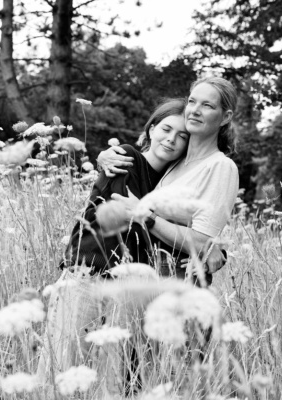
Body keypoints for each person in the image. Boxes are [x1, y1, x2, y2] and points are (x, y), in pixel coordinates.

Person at [37, 98, 190, 392]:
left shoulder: (170, 187)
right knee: (58, 375)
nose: (172, 140)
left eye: (182, 136)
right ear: (152, 129)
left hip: (127, 292)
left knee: (111, 384)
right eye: (167, 129)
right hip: (87, 277)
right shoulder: (127, 156)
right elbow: (126, 220)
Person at [98, 76, 240, 285]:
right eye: (192, 101)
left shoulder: (220, 166)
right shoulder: (175, 161)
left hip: (178, 279)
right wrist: (103, 157)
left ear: (226, 117)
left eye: (207, 105)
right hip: (147, 273)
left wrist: (145, 216)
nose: (195, 110)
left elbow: (204, 242)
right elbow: (143, 163)